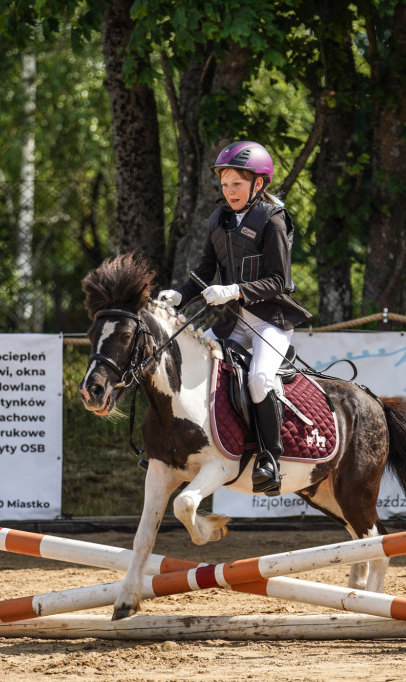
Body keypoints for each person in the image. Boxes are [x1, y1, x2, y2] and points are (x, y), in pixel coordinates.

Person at [157, 141, 312, 495]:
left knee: (258, 379)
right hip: (232, 323)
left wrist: (234, 290)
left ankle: (270, 459)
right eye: (225, 185)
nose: (229, 192)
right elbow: (204, 270)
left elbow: (279, 281)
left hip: (270, 320)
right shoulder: (219, 220)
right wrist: (181, 294)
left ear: (258, 184)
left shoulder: (273, 220)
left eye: (236, 185)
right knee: (188, 365)